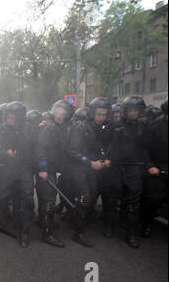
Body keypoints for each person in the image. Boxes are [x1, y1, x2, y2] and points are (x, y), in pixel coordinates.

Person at [101, 96, 150, 248]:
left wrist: (148, 165)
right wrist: (105, 158)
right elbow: (102, 144)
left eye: (136, 110)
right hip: (115, 167)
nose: (133, 113)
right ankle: (109, 225)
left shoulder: (143, 127)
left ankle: (131, 234)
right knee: (111, 199)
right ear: (124, 111)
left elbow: (145, 149)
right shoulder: (113, 125)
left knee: (133, 203)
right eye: (130, 110)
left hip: (134, 167)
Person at [67, 98, 113, 247]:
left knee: (92, 196)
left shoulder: (103, 128)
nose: (101, 117)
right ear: (92, 113)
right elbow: (72, 151)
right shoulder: (80, 127)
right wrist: (90, 162)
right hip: (78, 167)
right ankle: (78, 232)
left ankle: (78, 220)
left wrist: (104, 159)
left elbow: (101, 148)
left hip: (93, 168)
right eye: (98, 114)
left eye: (104, 114)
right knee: (85, 197)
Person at [0, 102, 35, 247]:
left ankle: (24, 231)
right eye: (9, 117)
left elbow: (36, 148)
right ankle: (8, 217)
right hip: (7, 168)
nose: (10, 120)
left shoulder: (30, 129)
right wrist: (5, 153)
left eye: (13, 118)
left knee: (28, 200)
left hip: (25, 168)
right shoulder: (0, 130)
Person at [35, 100, 74, 248]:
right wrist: (43, 168)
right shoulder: (49, 128)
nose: (59, 116)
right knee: (49, 201)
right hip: (47, 168)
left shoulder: (62, 128)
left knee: (48, 200)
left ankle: (45, 223)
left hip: (53, 167)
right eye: (57, 113)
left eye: (63, 114)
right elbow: (40, 148)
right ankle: (47, 233)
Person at [140, 98, 167, 238]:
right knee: (153, 199)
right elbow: (144, 149)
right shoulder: (155, 126)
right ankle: (147, 223)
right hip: (157, 168)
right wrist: (150, 166)